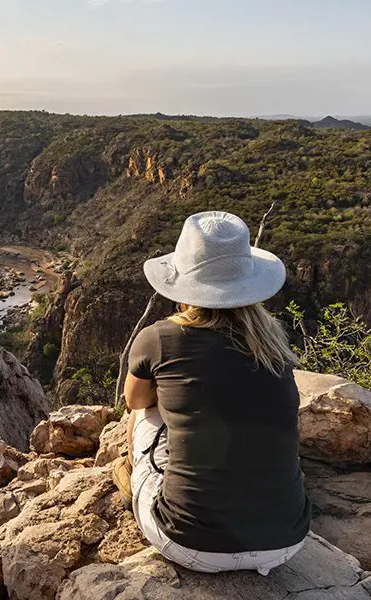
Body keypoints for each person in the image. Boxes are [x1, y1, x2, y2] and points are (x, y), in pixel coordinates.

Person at [123, 211, 311, 575]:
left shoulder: (160, 338)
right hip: (286, 542)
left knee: (145, 410)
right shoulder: (273, 345)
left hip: (190, 541)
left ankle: (131, 476)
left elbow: (134, 401)